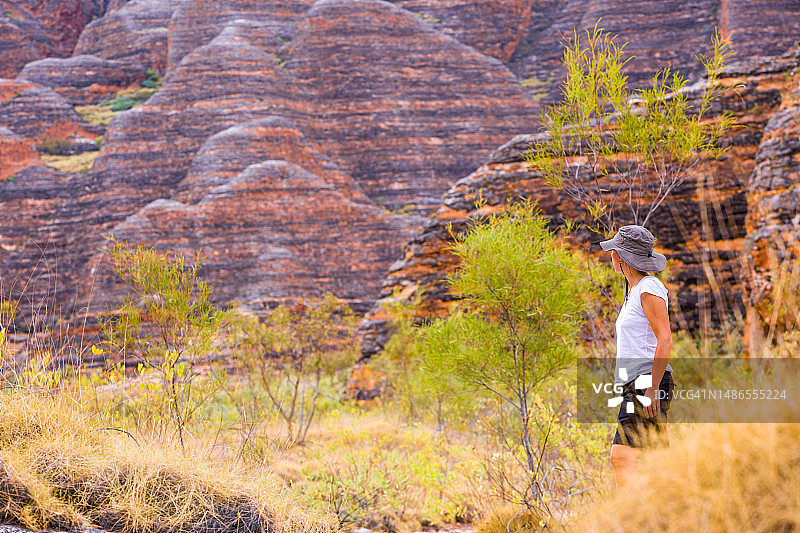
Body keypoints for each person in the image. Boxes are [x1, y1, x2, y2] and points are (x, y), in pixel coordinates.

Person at [600, 225, 675, 487]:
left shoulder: (649, 287)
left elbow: (665, 339)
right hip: (638, 382)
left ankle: (632, 519)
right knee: (657, 458)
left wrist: (652, 388)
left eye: (613, 252)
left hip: (647, 382)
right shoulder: (635, 290)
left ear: (620, 258)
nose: (611, 256)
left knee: (621, 458)